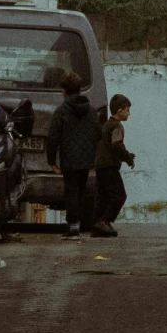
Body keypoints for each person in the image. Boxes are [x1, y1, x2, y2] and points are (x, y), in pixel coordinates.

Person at [45, 70, 102, 235]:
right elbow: (98, 133)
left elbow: (53, 138)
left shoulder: (61, 111)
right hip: (86, 159)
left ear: (64, 90)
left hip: (69, 159)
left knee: (71, 190)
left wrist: (52, 161)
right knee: (81, 190)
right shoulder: (91, 111)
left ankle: (73, 224)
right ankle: (80, 222)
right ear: (80, 90)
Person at [92, 94, 134, 237]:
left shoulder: (106, 125)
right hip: (110, 166)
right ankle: (105, 221)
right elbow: (116, 146)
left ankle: (97, 224)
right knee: (119, 196)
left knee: (103, 196)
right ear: (120, 111)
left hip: (100, 165)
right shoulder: (117, 126)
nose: (129, 113)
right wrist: (128, 158)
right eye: (128, 110)